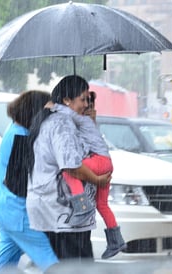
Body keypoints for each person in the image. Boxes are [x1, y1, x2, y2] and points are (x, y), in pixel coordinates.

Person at [26, 75, 111, 261]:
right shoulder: (61, 123)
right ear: (66, 100)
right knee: (74, 265)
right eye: (83, 99)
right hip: (62, 212)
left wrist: (90, 124)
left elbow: (87, 151)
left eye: (89, 99)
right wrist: (97, 180)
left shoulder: (70, 121)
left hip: (67, 213)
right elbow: (71, 165)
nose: (87, 104)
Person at [0, 90, 58, 274]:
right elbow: (24, 182)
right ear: (34, 111)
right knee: (54, 263)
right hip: (21, 215)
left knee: (2, 266)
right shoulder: (21, 138)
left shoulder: (17, 131)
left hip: (7, 212)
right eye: (48, 112)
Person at [48, 92, 127, 259]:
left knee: (69, 169)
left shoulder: (80, 121)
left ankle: (82, 207)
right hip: (105, 164)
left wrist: (52, 106)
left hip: (98, 164)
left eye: (85, 103)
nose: (83, 106)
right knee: (102, 204)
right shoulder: (88, 122)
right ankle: (115, 239)